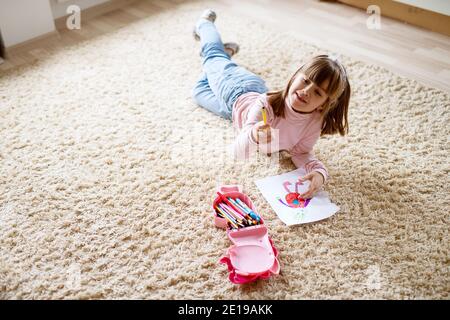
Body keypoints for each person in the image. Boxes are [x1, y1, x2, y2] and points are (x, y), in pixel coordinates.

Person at [192, 10, 351, 199]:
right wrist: (252, 134)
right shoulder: (266, 104)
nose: (306, 91)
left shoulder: (315, 122)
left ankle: (223, 59)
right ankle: (204, 25)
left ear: (323, 105)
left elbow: (300, 153)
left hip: (233, 113)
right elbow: (237, 153)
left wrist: (319, 173)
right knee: (211, 57)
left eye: (317, 92)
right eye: (305, 81)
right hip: (238, 89)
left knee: (198, 91)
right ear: (294, 77)